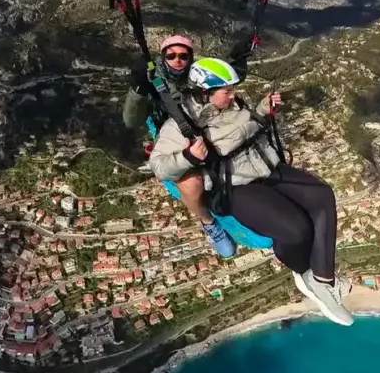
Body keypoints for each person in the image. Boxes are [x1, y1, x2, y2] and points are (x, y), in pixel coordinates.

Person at [148, 59, 351, 324]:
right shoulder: (181, 125)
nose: (233, 95)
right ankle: (304, 272)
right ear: (205, 92)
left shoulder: (235, 105)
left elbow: (247, 126)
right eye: (227, 91)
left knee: (322, 195)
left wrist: (262, 110)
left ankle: (324, 279)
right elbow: (159, 166)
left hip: (266, 167)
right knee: (296, 229)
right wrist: (188, 157)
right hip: (235, 186)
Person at [122, 33, 237, 258]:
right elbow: (131, 121)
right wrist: (138, 91)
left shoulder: (199, 76)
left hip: (203, 126)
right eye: (171, 56)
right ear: (163, 57)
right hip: (172, 136)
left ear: (190, 58)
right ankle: (208, 222)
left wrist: (238, 59)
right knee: (191, 182)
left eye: (183, 56)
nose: (177, 60)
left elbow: (223, 90)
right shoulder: (153, 80)